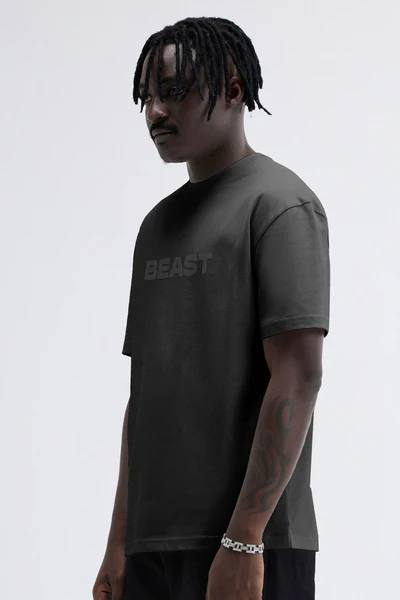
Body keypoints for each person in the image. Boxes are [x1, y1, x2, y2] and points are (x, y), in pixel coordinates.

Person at [92, 16, 330, 600]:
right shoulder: (157, 226)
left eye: (174, 91)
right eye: (146, 96)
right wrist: (119, 542)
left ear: (232, 89)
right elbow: (144, 398)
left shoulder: (280, 205)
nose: (155, 112)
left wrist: (245, 538)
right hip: (152, 548)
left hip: (252, 547)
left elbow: (298, 377)